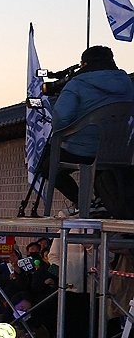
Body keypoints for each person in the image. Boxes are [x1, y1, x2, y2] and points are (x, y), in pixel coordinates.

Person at [47, 44, 134, 217]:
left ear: (84, 64)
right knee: (102, 165)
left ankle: (84, 202)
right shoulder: (127, 82)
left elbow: (61, 119)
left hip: (83, 150)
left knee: (46, 165)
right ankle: (101, 202)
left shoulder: (77, 83)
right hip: (120, 150)